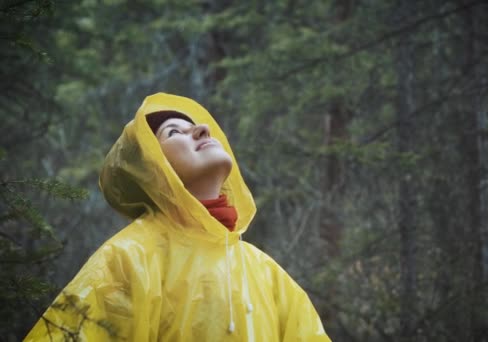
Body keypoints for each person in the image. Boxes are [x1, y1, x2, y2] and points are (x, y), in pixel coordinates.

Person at [24, 93, 330, 341]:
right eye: (173, 132)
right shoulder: (129, 258)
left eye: (196, 126)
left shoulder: (266, 272)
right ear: (153, 171)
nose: (202, 130)